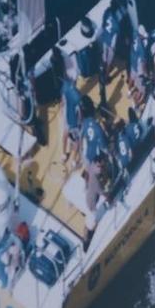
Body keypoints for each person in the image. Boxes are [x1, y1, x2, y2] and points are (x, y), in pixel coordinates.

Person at [79, 97, 110, 251]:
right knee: (91, 220)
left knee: (90, 177)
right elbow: (104, 146)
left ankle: (86, 185)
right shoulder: (97, 127)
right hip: (94, 163)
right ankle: (87, 242)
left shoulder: (84, 124)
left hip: (88, 158)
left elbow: (82, 139)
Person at [60, 58, 84, 169]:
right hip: (73, 121)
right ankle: (74, 161)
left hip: (65, 116)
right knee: (77, 141)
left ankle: (63, 154)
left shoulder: (64, 87)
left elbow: (62, 102)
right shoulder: (77, 95)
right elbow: (79, 112)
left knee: (65, 134)